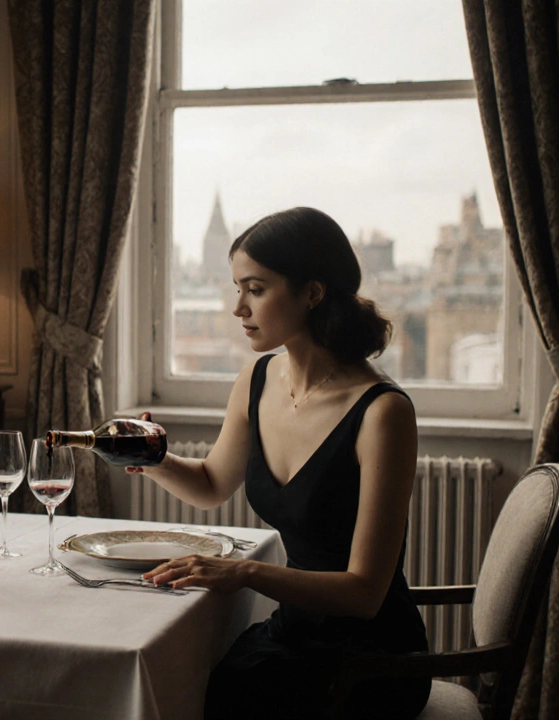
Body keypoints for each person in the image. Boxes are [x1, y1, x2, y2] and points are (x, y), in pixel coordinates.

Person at [130, 207, 430, 719]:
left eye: (255, 289)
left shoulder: (383, 412)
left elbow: (364, 594)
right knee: (193, 680)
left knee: (233, 697)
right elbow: (210, 484)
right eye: (237, 289)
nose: (238, 308)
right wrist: (150, 458)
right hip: (294, 632)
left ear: (312, 292)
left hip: (372, 659)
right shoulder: (258, 378)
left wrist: (244, 572)